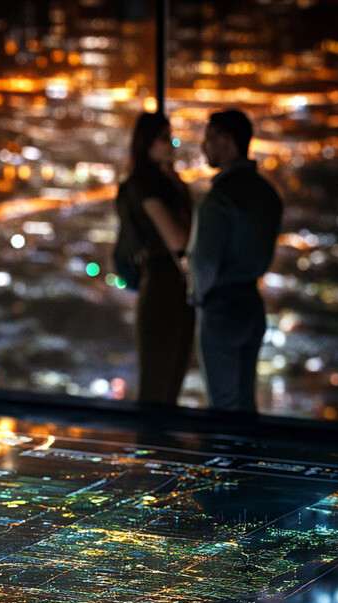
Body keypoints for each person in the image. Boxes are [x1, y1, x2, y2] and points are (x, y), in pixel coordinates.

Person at [187, 109, 283, 412]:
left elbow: (205, 263)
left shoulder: (219, 198)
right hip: (253, 304)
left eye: (209, 138)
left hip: (221, 306)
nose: (204, 147)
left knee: (224, 406)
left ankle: (229, 460)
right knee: (245, 402)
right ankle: (248, 458)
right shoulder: (268, 194)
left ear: (226, 141)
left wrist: (198, 296)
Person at [119, 111, 194, 404]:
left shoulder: (161, 182)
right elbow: (178, 239)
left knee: (169, 379)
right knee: (158, 382)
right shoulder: (146, 186)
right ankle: (152, 447)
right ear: (146, 142)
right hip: (163, 286)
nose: (171, 145)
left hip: (173, 287)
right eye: (164, 138)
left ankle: (160, 446)